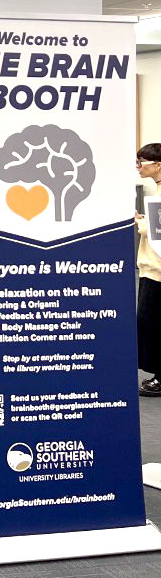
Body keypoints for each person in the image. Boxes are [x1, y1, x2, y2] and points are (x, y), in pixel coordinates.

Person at [136, 145, 161, 397]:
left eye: (142, 162)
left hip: (157, 270)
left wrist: (142, 223)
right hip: (150, 267)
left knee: (151, 322)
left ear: (158, 164)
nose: (139, 166)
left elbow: (156, 232)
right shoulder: (156, 190)